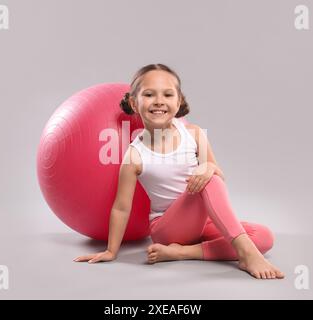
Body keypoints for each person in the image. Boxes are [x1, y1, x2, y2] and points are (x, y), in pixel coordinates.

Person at [74, 63, 284, 279]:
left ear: (179, 101)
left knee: (264, 236)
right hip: (167, 228)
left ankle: (183, 252)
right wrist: (111, 251)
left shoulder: (194, 134)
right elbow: (121, 207)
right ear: (133, 103)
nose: (159, 101)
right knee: (208, 178)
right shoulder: (134, 155)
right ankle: (246, 253)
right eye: (148, 94)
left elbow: (218, 173)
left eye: (167, 94)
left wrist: (210, 167)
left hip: (202, 222)